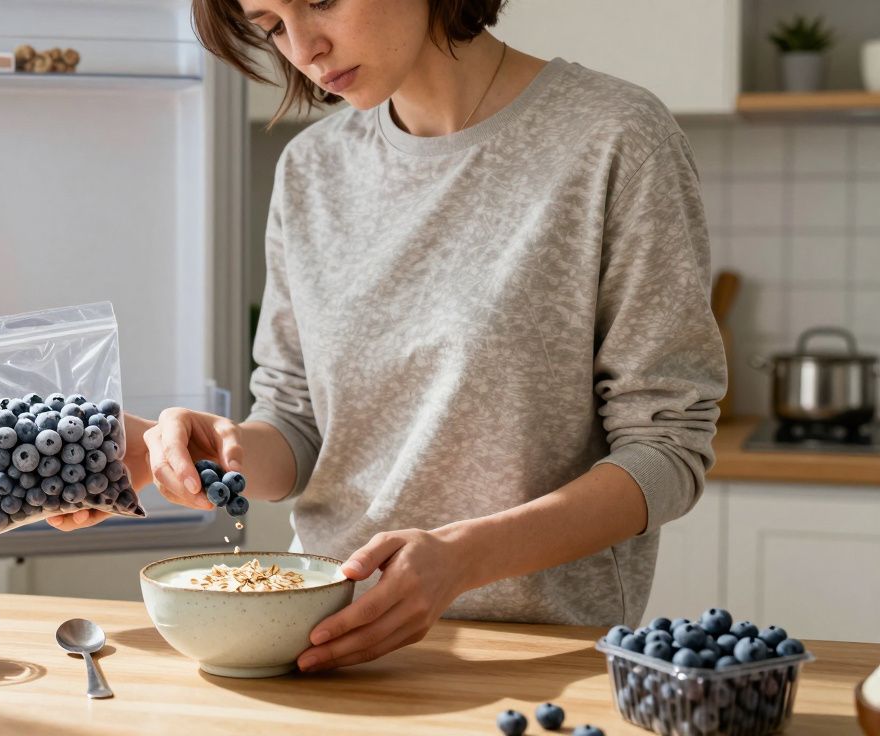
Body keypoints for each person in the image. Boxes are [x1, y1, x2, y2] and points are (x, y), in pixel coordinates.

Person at [46, 0, 726, 673]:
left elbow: (667, 451)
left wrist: (461, 560)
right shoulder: (311, 170)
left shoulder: (615, 138)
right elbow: (298, 428)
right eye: (273, 26)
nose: (304, 48)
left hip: (530, 659)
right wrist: (201, 451)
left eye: (320, 1)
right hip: (321, 645)